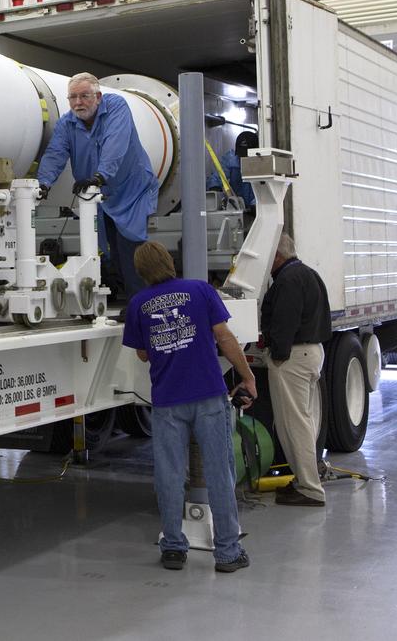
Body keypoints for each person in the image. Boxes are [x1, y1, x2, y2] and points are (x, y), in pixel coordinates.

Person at [122, 240, 256, 573]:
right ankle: (226, 553)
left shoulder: (138, 304)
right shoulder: (200, 290)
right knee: (218, 472)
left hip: (167, 401)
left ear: (141, 272)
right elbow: (224, 337)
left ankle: (173, 547)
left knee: (169, 474)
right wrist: (247, 375)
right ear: (168, 261)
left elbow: (141, 353)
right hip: (208, 396)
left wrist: (167, 343)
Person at [36, 73, 158, 298]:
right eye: (72, 97)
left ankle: (140, 303)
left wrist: (101, 175)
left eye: (84, 96)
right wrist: (43, 183)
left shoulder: (116, 107)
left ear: (99, 96)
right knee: (105, 248)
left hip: (130, 191)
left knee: (130, 247)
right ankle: (118, 297)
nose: (78, 102)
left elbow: (116, 142)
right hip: (98, 194)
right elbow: (55, 153)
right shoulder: (67, 123)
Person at [261, 232, 330, 507]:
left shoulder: (287, 281)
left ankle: (310, 489)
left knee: (294, 425)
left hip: (293, 357)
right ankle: (306, 479)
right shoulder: (308, 273)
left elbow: (284, 322)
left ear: (277, 256)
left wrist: (277, 355)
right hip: (312, 351)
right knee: (306, 421)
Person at [207, 131, 257, 211]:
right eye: (241, 154)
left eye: (246, 155)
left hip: (254, 209)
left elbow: (262, 192)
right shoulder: (230, 159)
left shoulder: (260, 165)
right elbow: (217, 177)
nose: (242, 158)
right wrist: (215, 187)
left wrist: (254, 207)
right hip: (235, 207)